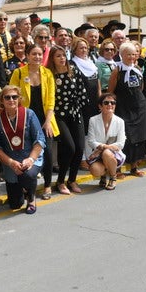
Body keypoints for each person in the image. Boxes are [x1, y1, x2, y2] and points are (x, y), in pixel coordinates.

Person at [8, 43, 59, 199]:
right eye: (33, 54)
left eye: (39, 54)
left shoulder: (47, 73)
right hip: (26, 119)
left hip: (45, 119)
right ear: (28, 56)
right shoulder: (18, 73)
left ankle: (48, 186)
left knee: (48, 153)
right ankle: (27, 187)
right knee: (27, 152)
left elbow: (51, 99)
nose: (37, 57)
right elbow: (12, 94)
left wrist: (48, 121)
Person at [0, 85, 46, 215]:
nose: (11, 100)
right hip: (11, 162)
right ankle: (23, 190)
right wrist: (10, 162)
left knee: (27, 174)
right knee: (15, 204)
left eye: (14, 97)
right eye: (7, 97)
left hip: (30, 158)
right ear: (2, 100)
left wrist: (31, 159)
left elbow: (40, 140)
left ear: (19, 99)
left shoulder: (29, 114)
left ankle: (31, 198)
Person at [48, 46, 88, 194]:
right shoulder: (50, 74)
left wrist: (81, 109)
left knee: (79, 148)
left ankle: (72, 180)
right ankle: (60, 181)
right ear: (52, 58)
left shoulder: (73, 70)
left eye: (63, 55)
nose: (62, 58)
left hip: (75, 113)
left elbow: (81, 91)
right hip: (59, 115)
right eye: (58, 56)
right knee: (69, 148)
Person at [107, 42, 146, 177]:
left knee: (138, 137)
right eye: (128, 54)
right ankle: (118, 168)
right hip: (123, 108)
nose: (131, 57)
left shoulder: (137, 68)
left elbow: (141, 87)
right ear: (121, 55)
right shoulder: (117, 70)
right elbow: (111, 91)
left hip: (139, 107)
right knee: (125, 138)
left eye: (133, 54)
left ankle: (134, 167)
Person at [84, 93, 127, 190]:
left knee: (107, 153)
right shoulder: (93, 120)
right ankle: (104, 175)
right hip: (98, 155)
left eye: (113, 103)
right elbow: (91, 141)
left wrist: (103, 148)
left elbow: (121, 144)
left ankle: (113, 177)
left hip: (114, 155)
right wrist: (103, 148)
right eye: (106, 102)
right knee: (95, 170)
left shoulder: (120, 121)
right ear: (100, 106)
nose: (110, 105)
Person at [71, 36, 99, 133]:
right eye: (81, 48)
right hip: (82, 103)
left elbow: (97, 81)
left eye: (85, 48)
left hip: (95, 101)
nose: (84, 50)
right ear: (75, 50)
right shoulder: (72, 64)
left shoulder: (91, 63)